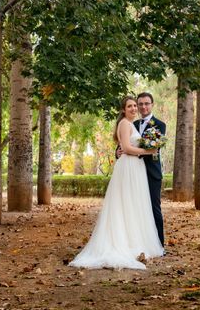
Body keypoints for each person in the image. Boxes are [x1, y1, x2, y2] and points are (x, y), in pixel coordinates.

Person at [69, 96, 164, 270]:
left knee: (139, 206)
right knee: (126, 204)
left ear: (150, 105)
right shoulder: (126, 124)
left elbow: (127, 145)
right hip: (130, 167)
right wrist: (148, 151)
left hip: (141, 169)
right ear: (123, 109)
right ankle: (124, 244)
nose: (135, 108)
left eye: (137, 105)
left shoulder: (152, 124)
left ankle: (147, 242)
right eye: (131, 106)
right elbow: (126, 147)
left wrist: (138, 151)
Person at [134, 92, 166, 247]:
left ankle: (159, 245)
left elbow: (153, 148)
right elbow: (122, 144)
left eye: (146, 103)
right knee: (135, 208)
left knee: (154, 208)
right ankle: (139, 243)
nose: (143, 107)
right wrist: (118, 152)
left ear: (152, 104)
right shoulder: (132, 125)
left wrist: (131, 150)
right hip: (133, 173)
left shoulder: (159, 125)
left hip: (151, 172)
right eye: (140, 104)